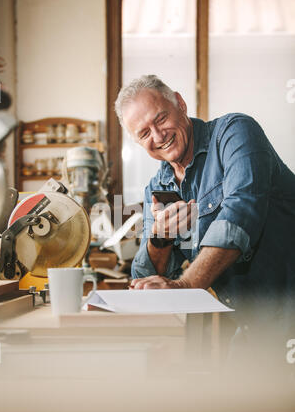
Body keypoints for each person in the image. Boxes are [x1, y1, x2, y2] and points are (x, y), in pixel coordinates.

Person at [115, 75, 295, 365]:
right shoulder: (157, 188)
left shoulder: (235, 133)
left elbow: (240, 217)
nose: (158, 136)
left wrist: (184, 287)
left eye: (161, 119)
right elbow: (144, 277)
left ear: (180, 103)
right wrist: (160, 238)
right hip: (252, 325)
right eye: (144, 133)